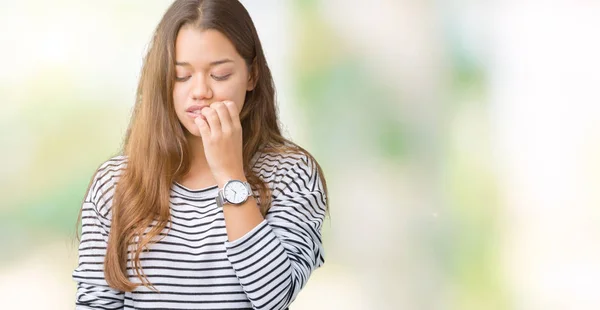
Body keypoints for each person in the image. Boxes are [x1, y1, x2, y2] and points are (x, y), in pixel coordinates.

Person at [72, 0, 328, 309]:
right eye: (181, 76)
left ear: (251, 76)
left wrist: (230, 175)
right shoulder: (116, 182)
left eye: (219, 75)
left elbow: (273, 297)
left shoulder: (291, 173)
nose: (200, 91)